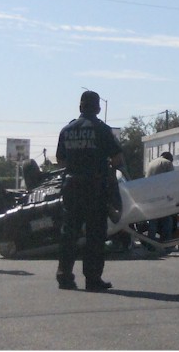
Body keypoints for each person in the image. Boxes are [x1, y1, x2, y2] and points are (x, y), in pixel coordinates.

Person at [55, 90, 125, 292]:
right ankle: (93, 279)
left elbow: (60, 160)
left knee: (69, 233)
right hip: (94, 187)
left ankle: (64, 276)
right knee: (95, 234)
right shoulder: (102, 130)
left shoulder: (67, 130)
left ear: (80, 107)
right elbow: (117, 158)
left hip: (71, 186)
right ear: (98, 108)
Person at [145, 152, 175, 241]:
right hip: (162, 196)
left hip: (150, 195)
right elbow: (171, 180)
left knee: (153, 220)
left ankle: (150, 241)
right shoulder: (167, 163)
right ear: (170, 158)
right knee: (167, 219)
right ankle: (166, 241)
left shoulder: (151, 163)